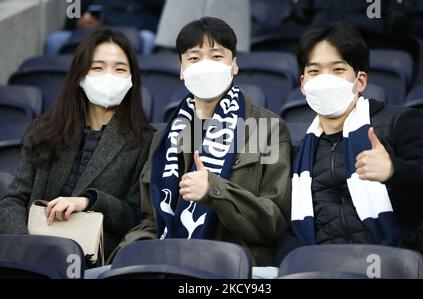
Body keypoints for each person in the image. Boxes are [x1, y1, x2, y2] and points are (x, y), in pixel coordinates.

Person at [106, 17, 291, 278]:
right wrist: (132, 252)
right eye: (194, 58)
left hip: (236, 267)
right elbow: (151, 219)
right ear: (181, 69)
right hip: (167, 262)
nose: (205, 66)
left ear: (234, 66)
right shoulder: (166, 137)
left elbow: (272, 221)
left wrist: (214, 191)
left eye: (216, 56)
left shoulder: (266, 127)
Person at [276, 22, 423, 270]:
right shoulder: (300, 152)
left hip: (393, 267)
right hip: (322, 271)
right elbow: (289, 230)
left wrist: (394, 171)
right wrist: (298, 262)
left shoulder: (402, 122)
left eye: (337, 69)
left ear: (360, 81)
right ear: (303, 84)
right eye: (315, 72)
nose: (325, 80)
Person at [0, 28, 153, 263]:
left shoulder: (145, 141)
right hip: (30, 255)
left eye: (120, 69)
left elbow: (136, 217)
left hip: (95, 263)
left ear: (132, 79)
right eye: (98, 67)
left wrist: (89, 201)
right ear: (80, 76)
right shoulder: (44, 130)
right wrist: (24, 246)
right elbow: (13, 200)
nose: (109, 76)